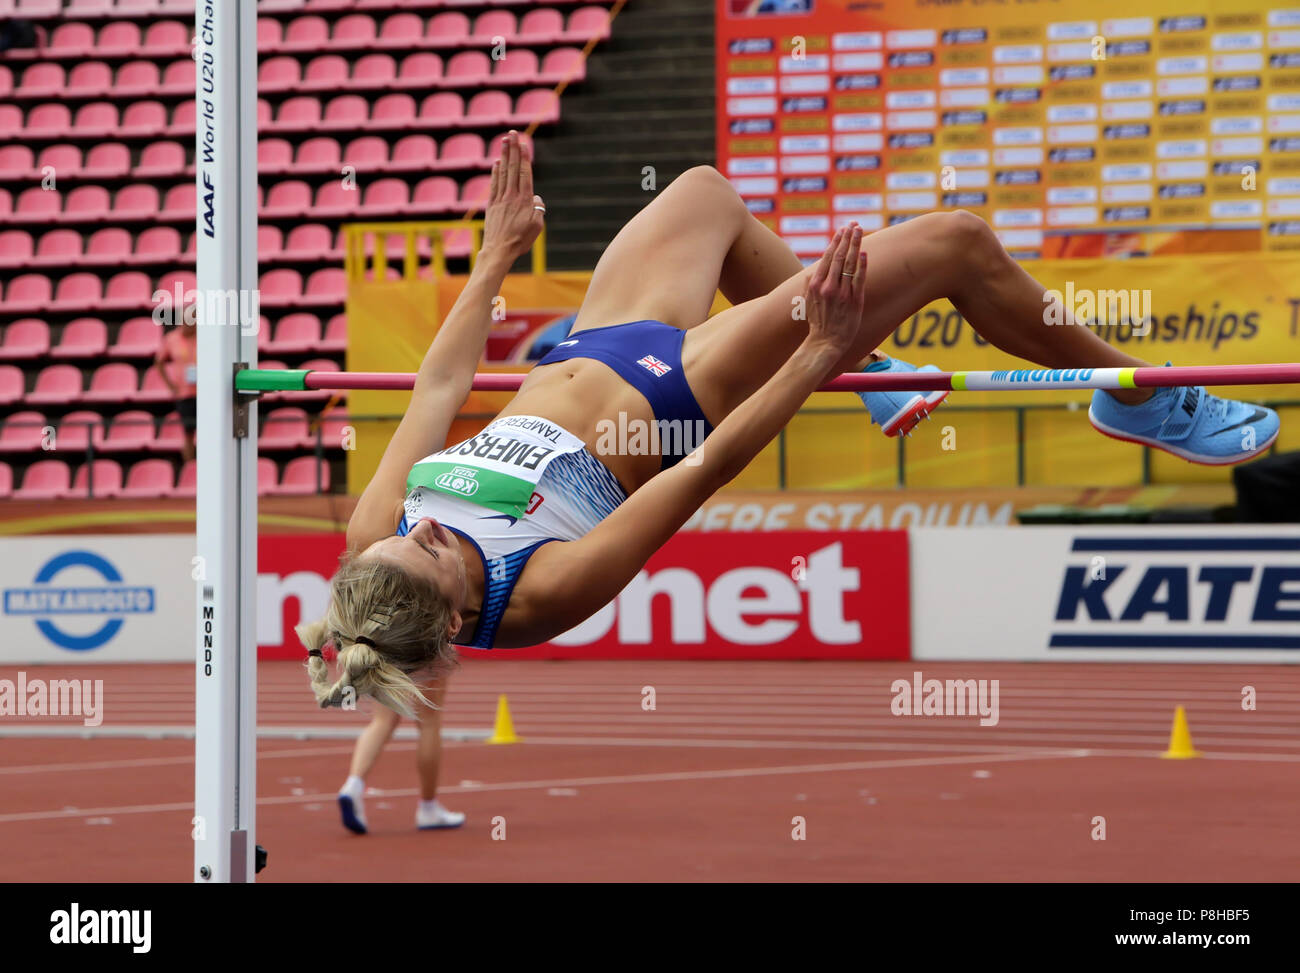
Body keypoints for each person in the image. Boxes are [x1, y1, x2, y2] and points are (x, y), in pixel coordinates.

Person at [297, 131, 1280, 715]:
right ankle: (1139, 396)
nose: (421, 525)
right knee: (956, 245)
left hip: (583, 347)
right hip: (676, 395)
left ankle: (882, 370)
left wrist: (497, 256)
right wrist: (816, 355)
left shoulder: (372, 544)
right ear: (459, 618)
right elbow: (705, 469)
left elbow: (435, 390)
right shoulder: (539, 593)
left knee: (702, 192)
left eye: (404, 533)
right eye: (430, 550)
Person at [335, 680, 464, 834]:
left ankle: (353, 785)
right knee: (429, 721)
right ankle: (428, 808)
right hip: (426, 657)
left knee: (382, 720)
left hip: (385, 655)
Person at [154, 320, 198, 463]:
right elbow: (159, 362)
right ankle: (190, 466)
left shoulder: (204, 336)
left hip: (204, 392)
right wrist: (171, 385)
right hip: (184, 393)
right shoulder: (172, 339)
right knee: (188, 433)